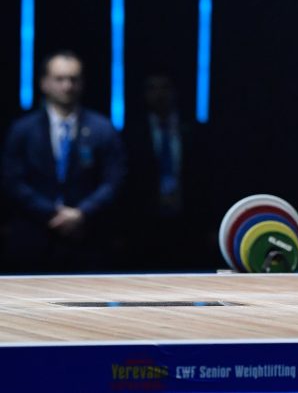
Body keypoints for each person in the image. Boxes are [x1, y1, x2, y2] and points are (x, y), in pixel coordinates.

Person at [1, 50, 126, 272]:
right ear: (44, 83)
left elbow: (114, 179)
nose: (67, 86)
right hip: (34, 234)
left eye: (73, 79)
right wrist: (51, 212)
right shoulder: (23, 130)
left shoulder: (102, 129)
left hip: (87, 237)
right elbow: (12, 180)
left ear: (82, 83)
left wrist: (81, 213)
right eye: (59, 79)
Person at [120, 71, 214, 270]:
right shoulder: (131, 133)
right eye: (153, 88)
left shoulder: (194, 130)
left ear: (174, 92)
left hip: (188, 222)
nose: (159, 94)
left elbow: (208, 179)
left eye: (164, 87)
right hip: (145, 224)